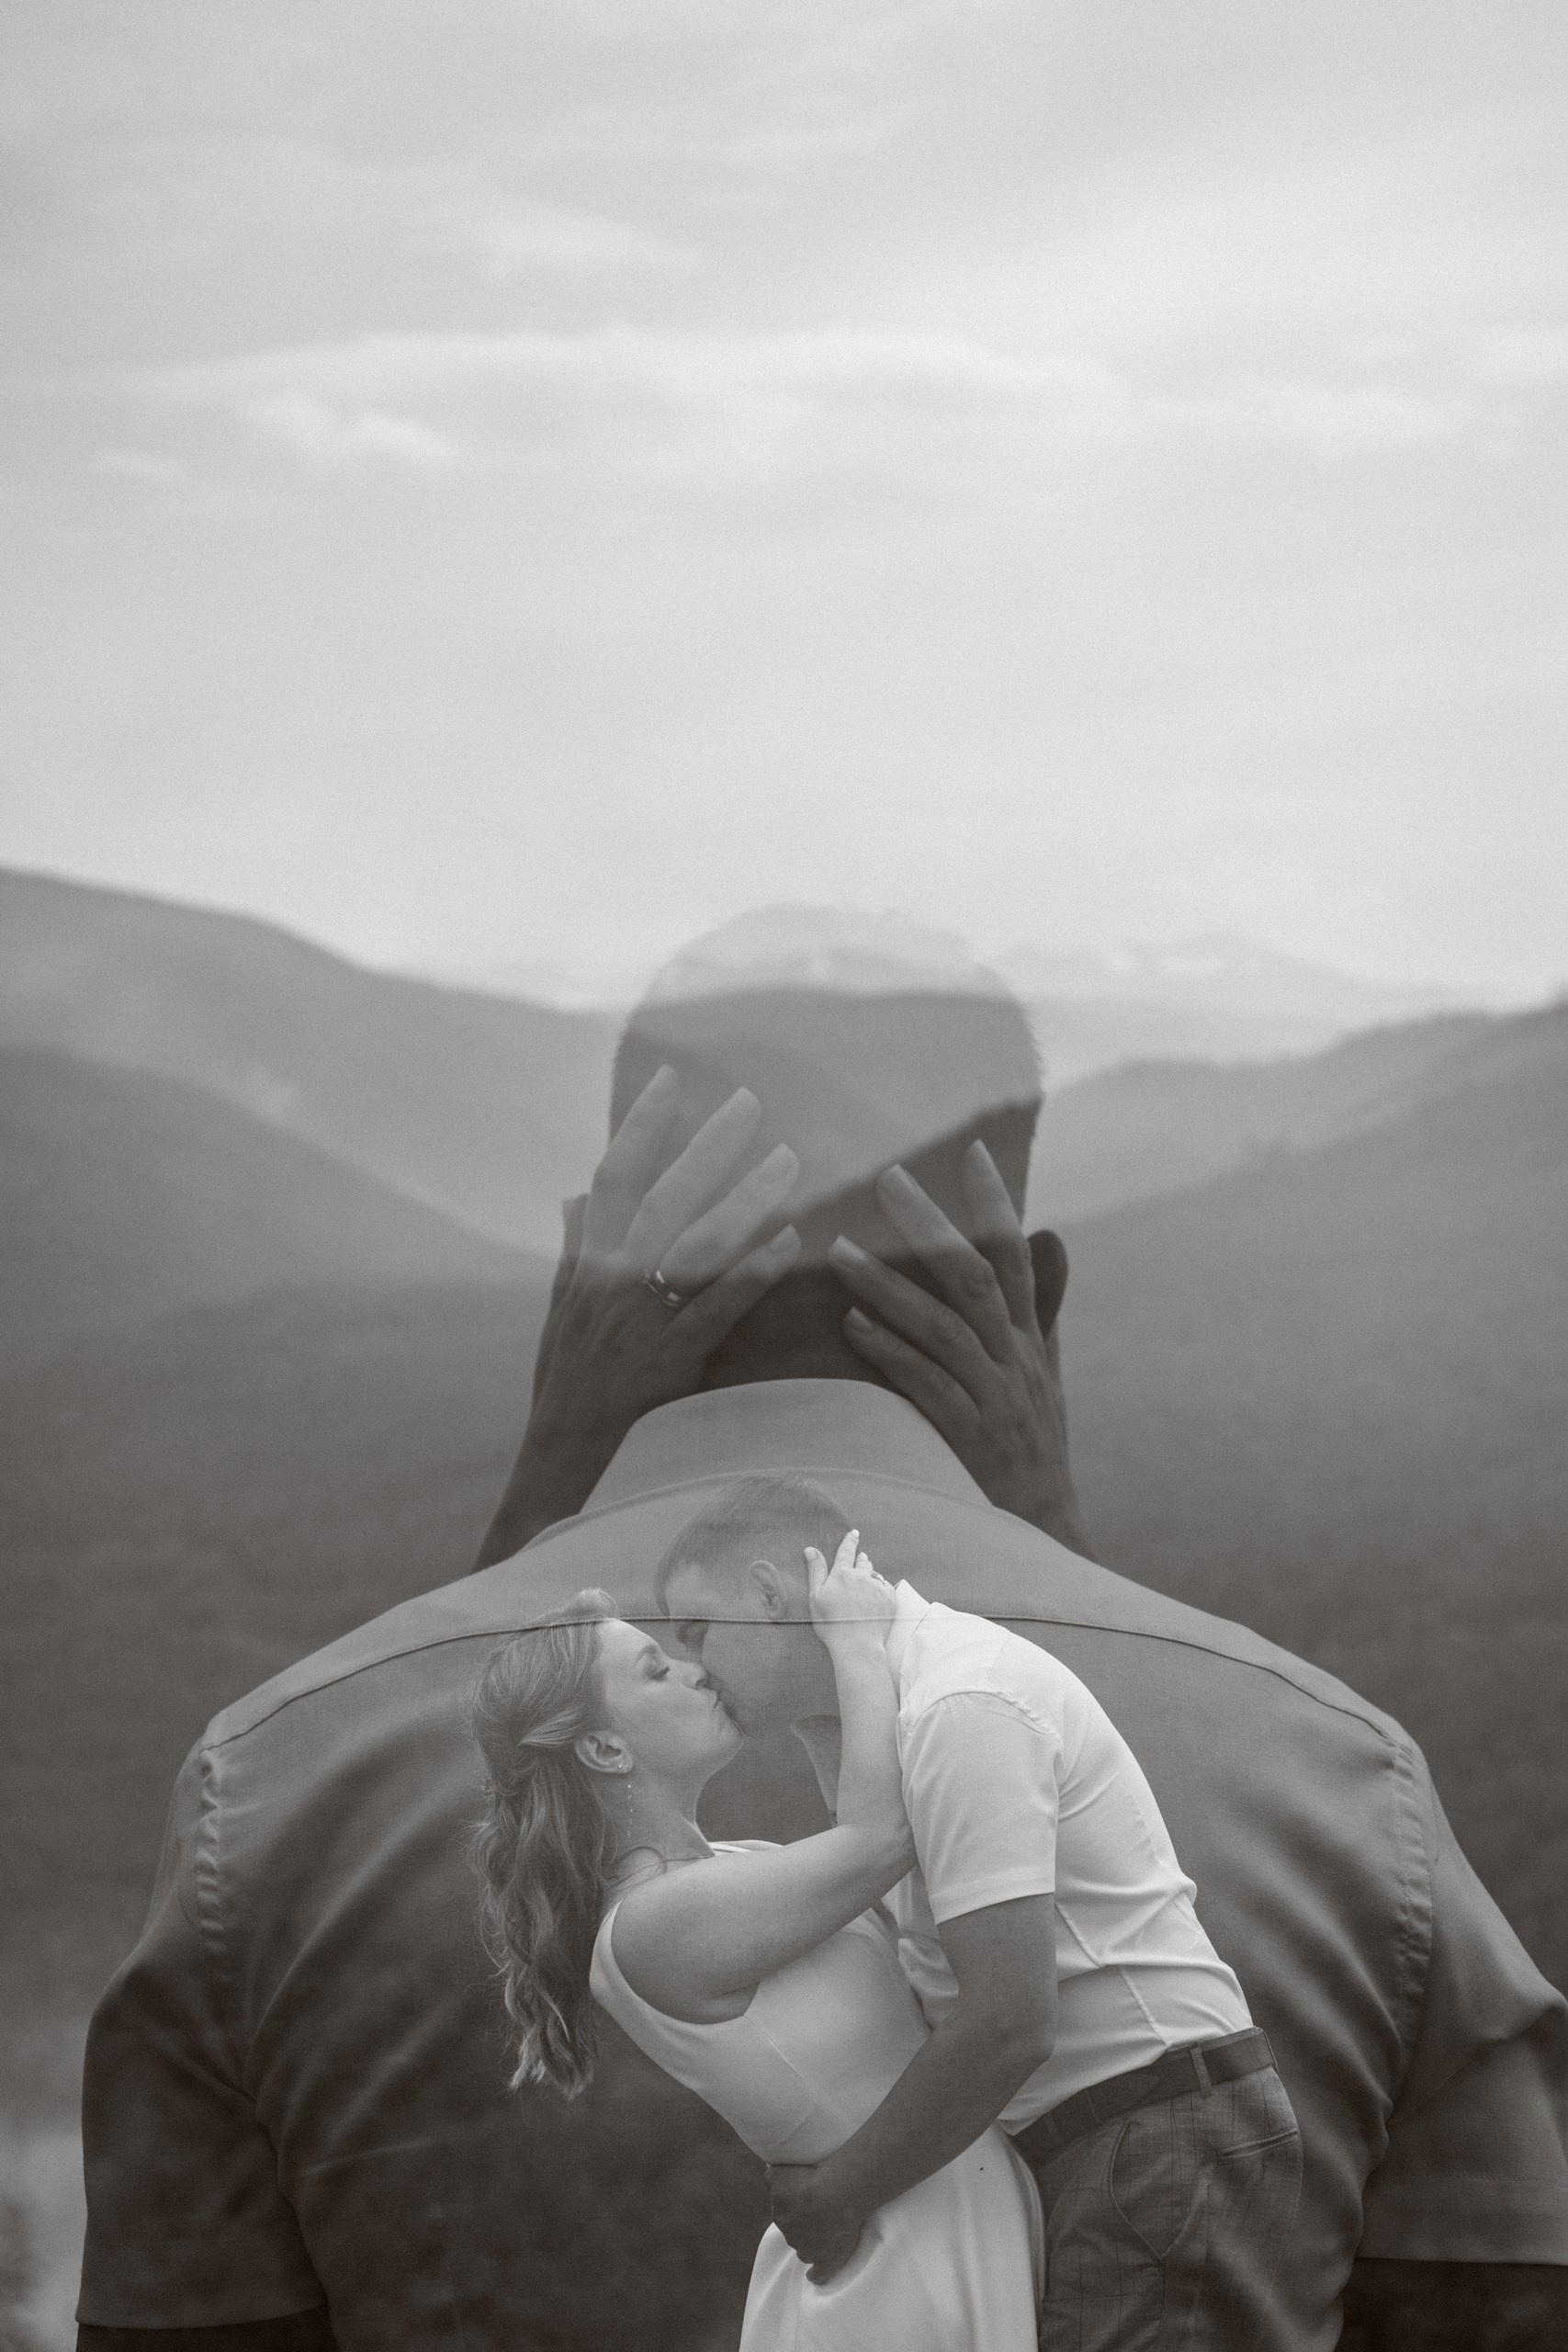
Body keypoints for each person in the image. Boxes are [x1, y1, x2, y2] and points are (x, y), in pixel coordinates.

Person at [75, 910, 1568, 2350]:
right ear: (1036, 1301)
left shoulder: (261, 1800)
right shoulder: (1353, 1793)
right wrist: (1046, 1553)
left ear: (579, 1283)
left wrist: (546, 1493)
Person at [655, 1469, 1301, 2347]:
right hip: (1125, 2137)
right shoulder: (904, 1705)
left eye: (697, 1629)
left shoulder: (961, 1704)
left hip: (1150, 2134)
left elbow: (1008, 2019)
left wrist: (840, 2194)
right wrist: (828, 1692)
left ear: (769, 1595)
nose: (694, 1666)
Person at [469, 1532, 1044, 2350]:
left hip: (938, 2212)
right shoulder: (654, 1925)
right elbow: (880, 1836)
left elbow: (860, 1829)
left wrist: (800, 1689)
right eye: (655, 1671)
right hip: (902, 2264)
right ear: (605, 1748)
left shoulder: (732, 1868)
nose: (695, 1670)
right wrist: (852, 1642)